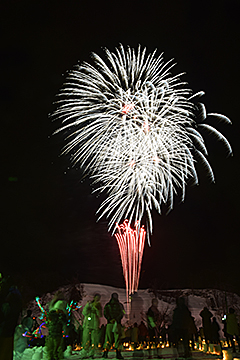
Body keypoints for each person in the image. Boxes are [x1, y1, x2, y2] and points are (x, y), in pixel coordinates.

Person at [0, 275, 22, 360]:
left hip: (5, 328)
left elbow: (8, 312)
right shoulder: (15, 294)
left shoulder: (10, 295)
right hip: (8, 329)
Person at [102, 293, 125, 359]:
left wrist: (110, 319)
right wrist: (116, 320)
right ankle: (118, 353)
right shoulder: (120, 305)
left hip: (109, 323)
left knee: (108, 338)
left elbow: (105, 313)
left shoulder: (108, 305)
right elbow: (122, 313)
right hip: (117, 324)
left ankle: (105, 353)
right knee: (117, 338)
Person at [45, 292, 67, 360]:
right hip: (57, 331)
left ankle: (52, 356)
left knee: (51, 346)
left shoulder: (52, 313)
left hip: (53, 331)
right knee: (56, 346)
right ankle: (55, 355)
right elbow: (64, 321)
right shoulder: (61, 315)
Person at [81, 293, 102, 358]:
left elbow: (100, 315)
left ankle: (92, 353)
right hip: (88, 323)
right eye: (97, 297)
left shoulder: (99, 306)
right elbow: (84, 312)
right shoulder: (89, 304)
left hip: (95, 324)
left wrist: (96, 309)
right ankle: (84, 352)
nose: (97, 299)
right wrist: (88, 306)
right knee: (86, 338)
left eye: (99, 298)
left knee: (94, 339)